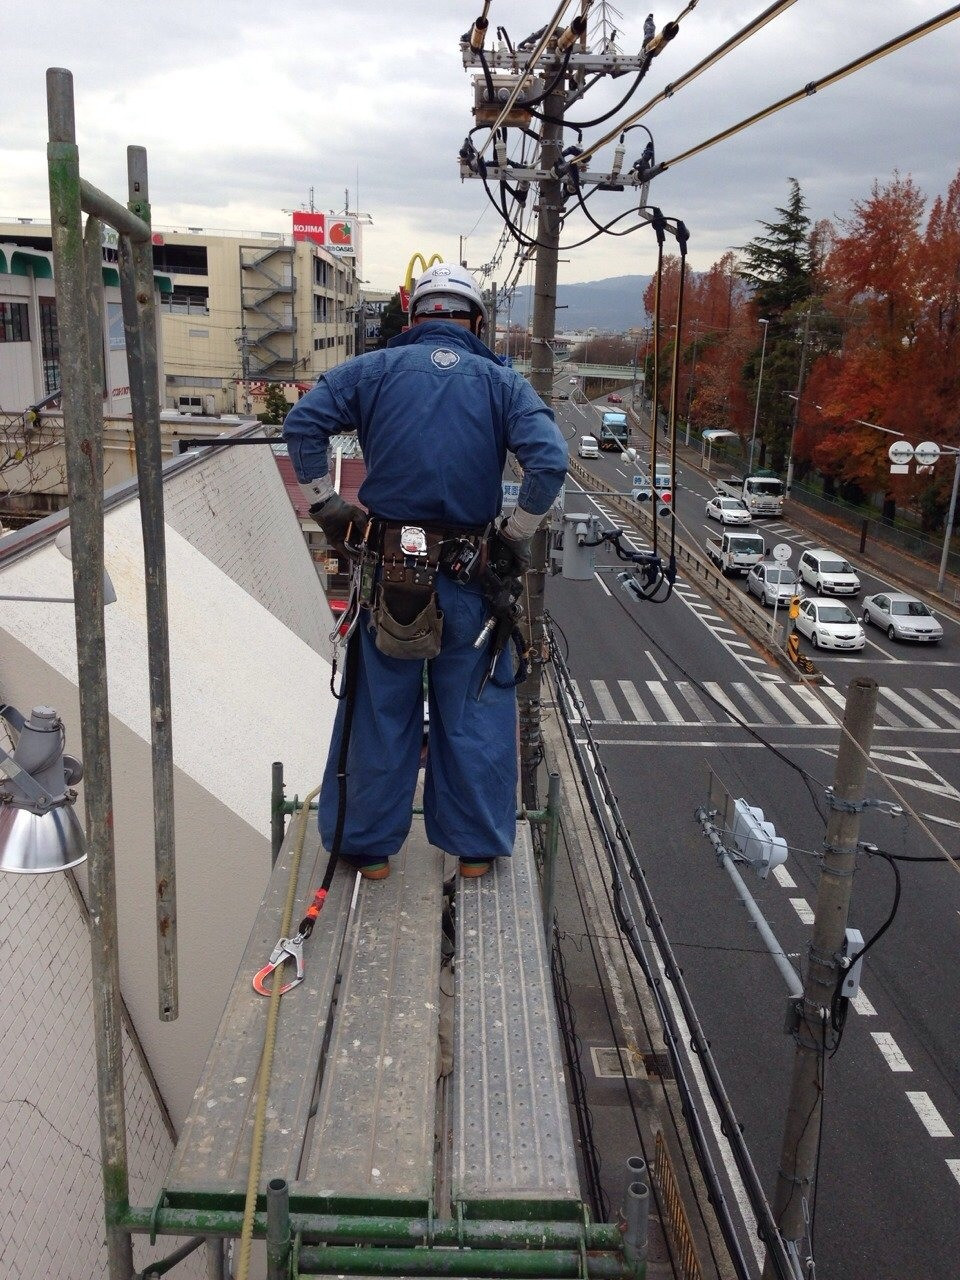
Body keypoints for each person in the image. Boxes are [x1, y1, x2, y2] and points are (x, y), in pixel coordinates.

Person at [283, 262, 567, 880]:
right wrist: (515, 539)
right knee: (471, 706)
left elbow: (302, 424)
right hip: (470, 576)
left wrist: (327, 506)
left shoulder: (372, 372)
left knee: (382, 706)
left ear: (414, 319)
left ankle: (367, 850)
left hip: (391, 574)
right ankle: (473, 851)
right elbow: (548, 463)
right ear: (477, 323)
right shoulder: (501, 384)